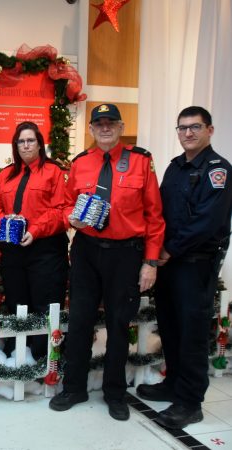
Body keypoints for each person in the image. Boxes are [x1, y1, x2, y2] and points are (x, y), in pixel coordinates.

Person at [49, 104, 165, 421]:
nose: (104, 128)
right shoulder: (80, 163)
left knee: (118, 324)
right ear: (90, 129)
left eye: (110, 123)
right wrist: (69, 217)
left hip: (126, 254)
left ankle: (115, 393)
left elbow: (155, 216)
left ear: (120, 126)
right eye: (98, 123)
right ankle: (74, 387)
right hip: (87, 250)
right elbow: (67, 205)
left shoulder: (141, 161)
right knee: (81, 320)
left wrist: (150, 262)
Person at [137, 106, 232, 429]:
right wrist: (155, 250)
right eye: (182, 128)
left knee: (191, 334)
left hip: (195, 264)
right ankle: (174, 384)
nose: (188, 133)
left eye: (195, 127)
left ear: (210, 130)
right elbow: (159, 212)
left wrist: (167, 249)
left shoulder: (218, 170)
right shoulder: (175, 167)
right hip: (169, 263)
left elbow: (207, 222)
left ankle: (190, 402)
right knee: (171, 327)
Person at [0, 121, 69, 360]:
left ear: (40, 144)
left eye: (30, 140)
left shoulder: (54, 172)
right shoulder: (5, 175)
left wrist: (35, 229)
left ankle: (43, 359)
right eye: (21, 141)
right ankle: (17, 357)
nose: (25, 145)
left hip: (46, 250)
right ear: (15, 145)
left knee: (45, 305)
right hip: (13, 250)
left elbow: (61, 210)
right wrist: (4, 222)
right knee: (16, 303)